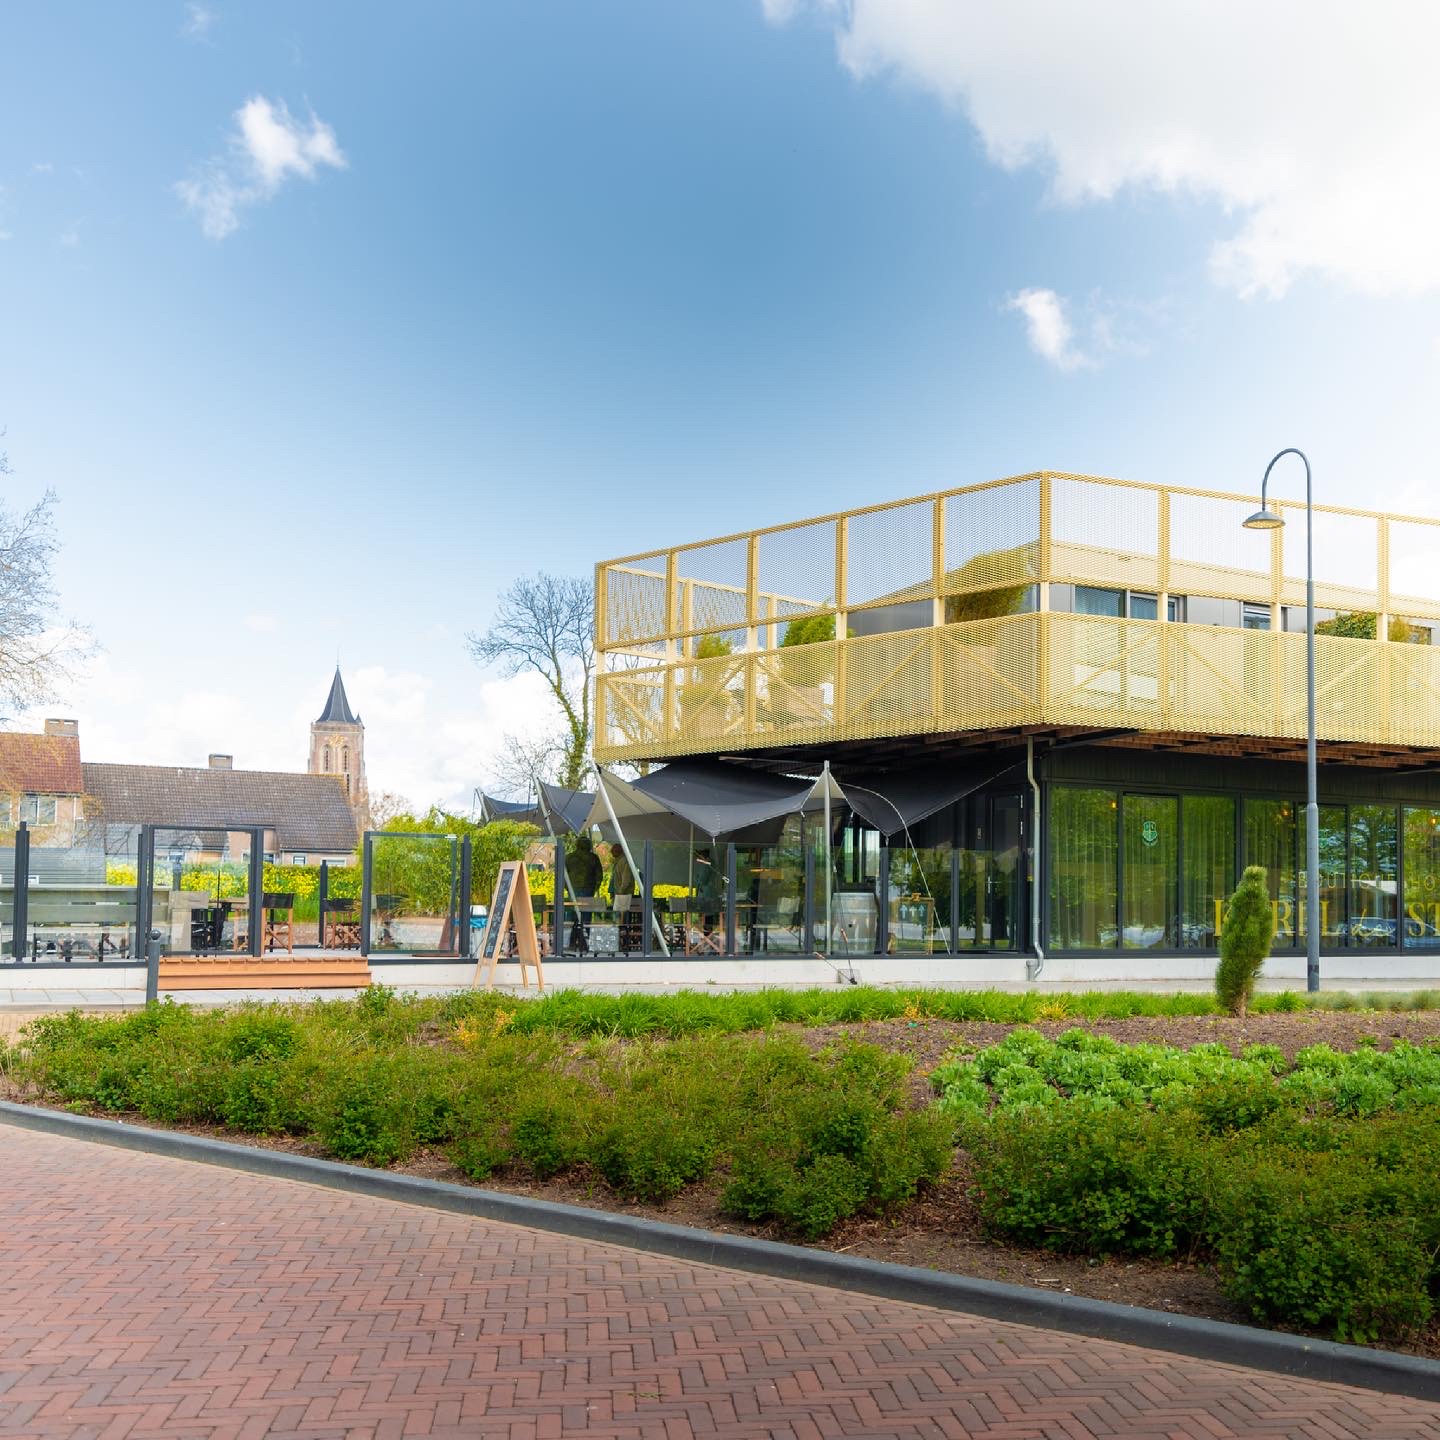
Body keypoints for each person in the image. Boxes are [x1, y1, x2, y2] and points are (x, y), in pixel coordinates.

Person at [566, 834, 603, 951]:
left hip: (573, 891)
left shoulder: (568, 858)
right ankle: (584, 944)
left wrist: (568, 888)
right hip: (588, 891)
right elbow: (599, 876)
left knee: (573, 918)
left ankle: (572, 943)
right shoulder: (593, 858)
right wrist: (594, 888)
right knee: (586, 919)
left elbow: (562, 876)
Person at [609, 845, 639, 952]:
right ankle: (619, 943)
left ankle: (623, 944)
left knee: (621, 921)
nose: (611, 852)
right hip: (619, 895)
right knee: (618, 920)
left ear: (618, 851)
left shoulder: (624, 861)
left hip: (623, 895)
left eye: (613, 850)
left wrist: (619, 893)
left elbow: (626, 880)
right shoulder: (619, 861)